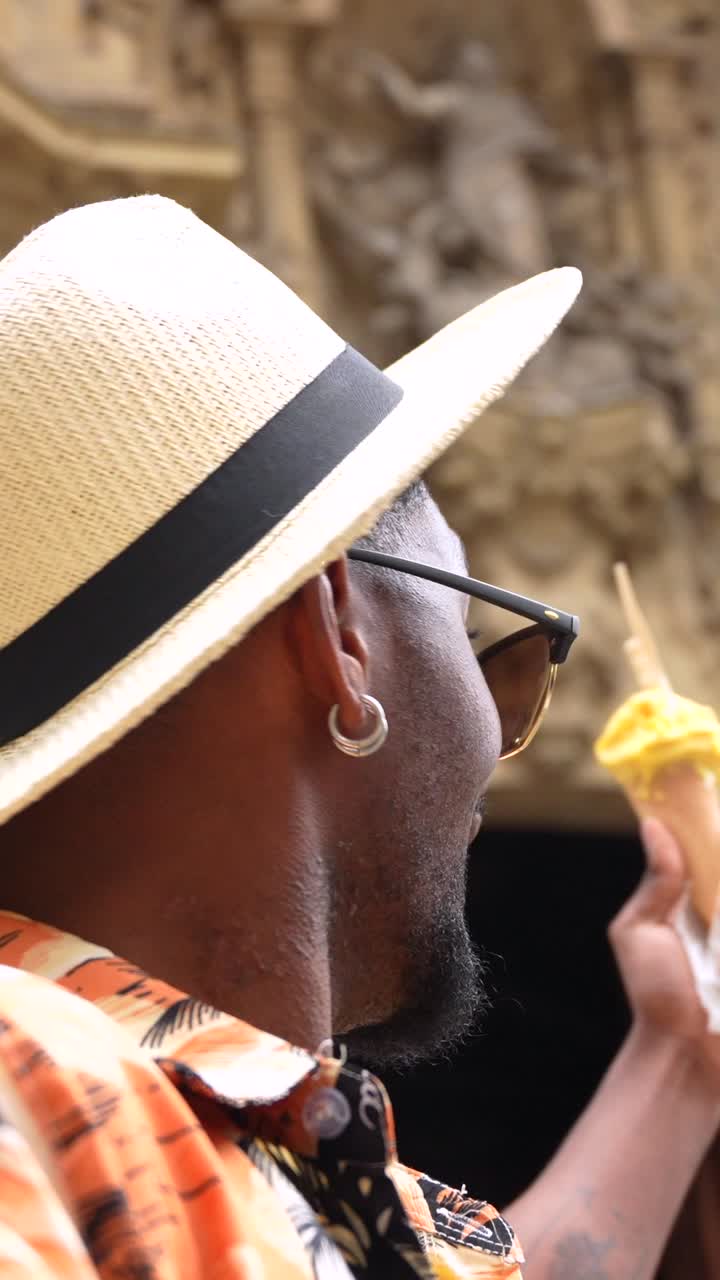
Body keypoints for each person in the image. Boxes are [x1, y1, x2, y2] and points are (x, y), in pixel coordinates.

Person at [0, 195, 717, 1280]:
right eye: (481, 633)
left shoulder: (189, 1129)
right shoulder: (27, 1088)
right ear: (344, 634)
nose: (496, 730)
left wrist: (684, 1051)